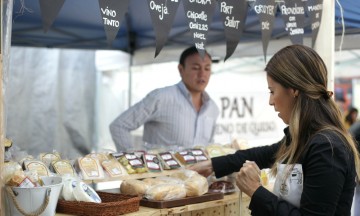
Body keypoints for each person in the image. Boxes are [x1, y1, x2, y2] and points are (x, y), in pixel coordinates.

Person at [190, 44, 360, 215]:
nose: (270, 101)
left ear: (294, 90)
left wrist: (256, 191)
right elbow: (262, 154)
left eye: (272, 91)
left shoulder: (327, 146)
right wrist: (212, 164)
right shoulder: (304, 138)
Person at [109, 46, 219, 152]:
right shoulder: (161, 98)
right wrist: (132, 161)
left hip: (199, 171)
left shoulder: (212, 108)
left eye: (207, 68)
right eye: (196, 68)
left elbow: (209, 146)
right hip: (161, 170)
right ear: (181, 69)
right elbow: (119, 126)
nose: (202, 74)